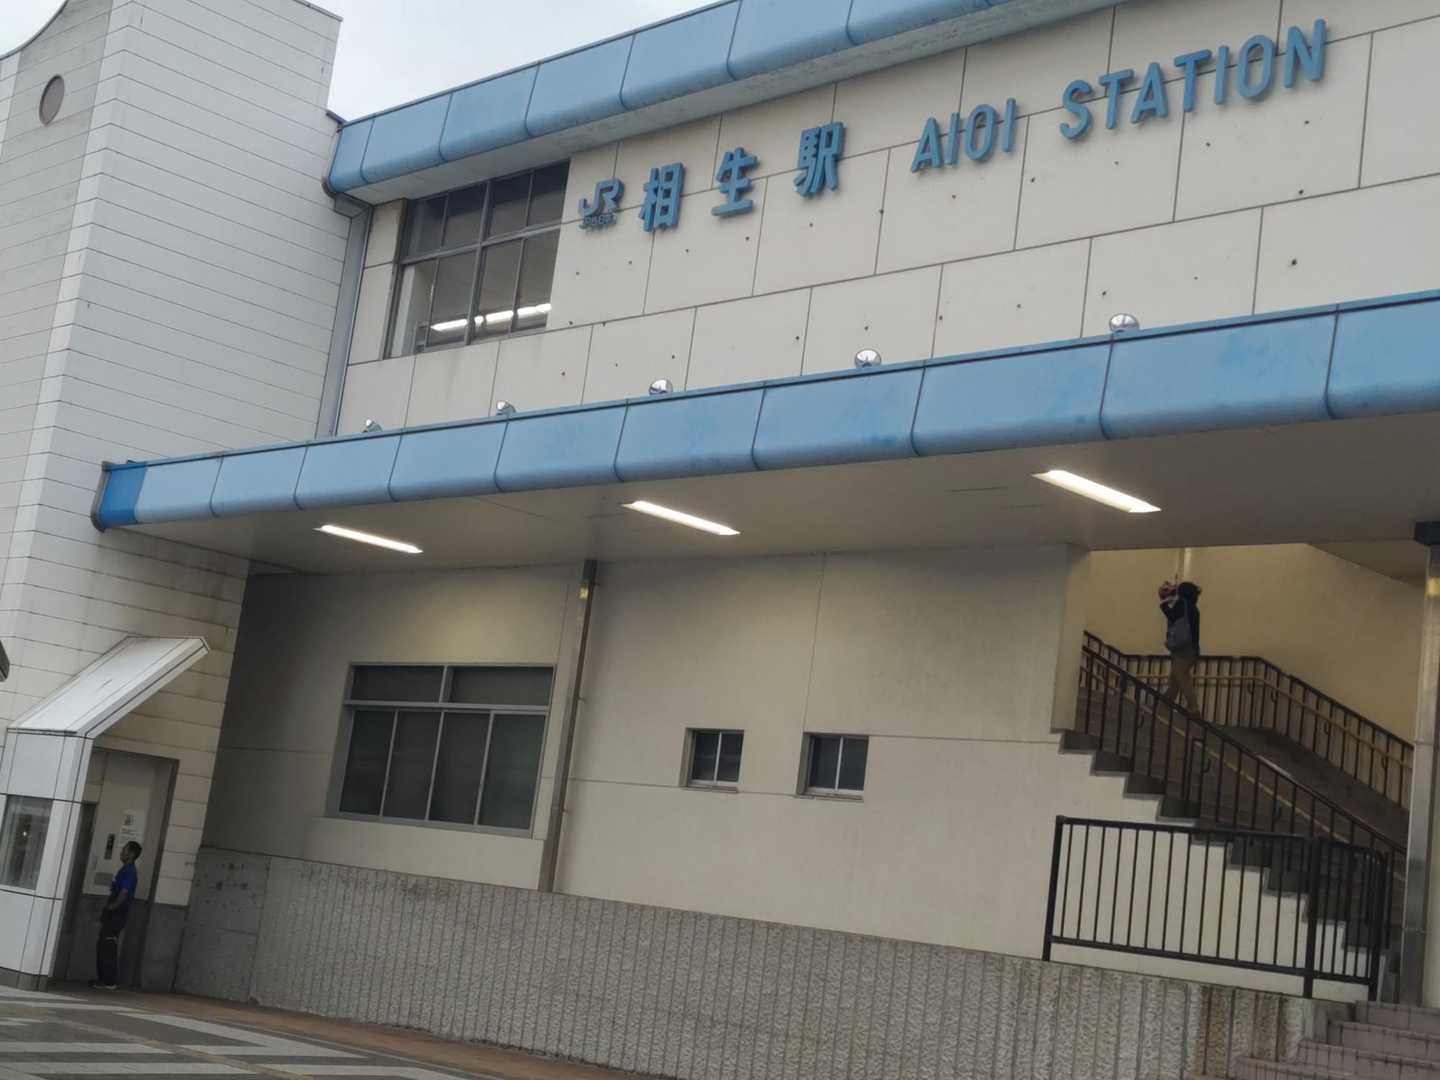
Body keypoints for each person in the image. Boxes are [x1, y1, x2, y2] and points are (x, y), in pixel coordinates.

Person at [91, 841, 141, 990]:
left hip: (117, 913)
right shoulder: (125, 869)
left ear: (131, 854)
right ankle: (104, 979)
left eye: (124, 850)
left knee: (107, 945)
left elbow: (124, 893)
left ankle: (108, 981)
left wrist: (112, 907)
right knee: (104, 944)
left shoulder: (129, 872)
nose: (121, 853)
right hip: (114, 912)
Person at [1159, 580, 1202, 711]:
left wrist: (1164, 603)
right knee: (1175, 681)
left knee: (1182, 679)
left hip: (1183, 650)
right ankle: (1163, 706)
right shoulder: (1193, 607)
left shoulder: (1182, 604)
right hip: (1192, 649)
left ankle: (1194, 710)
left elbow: (1172, 615)